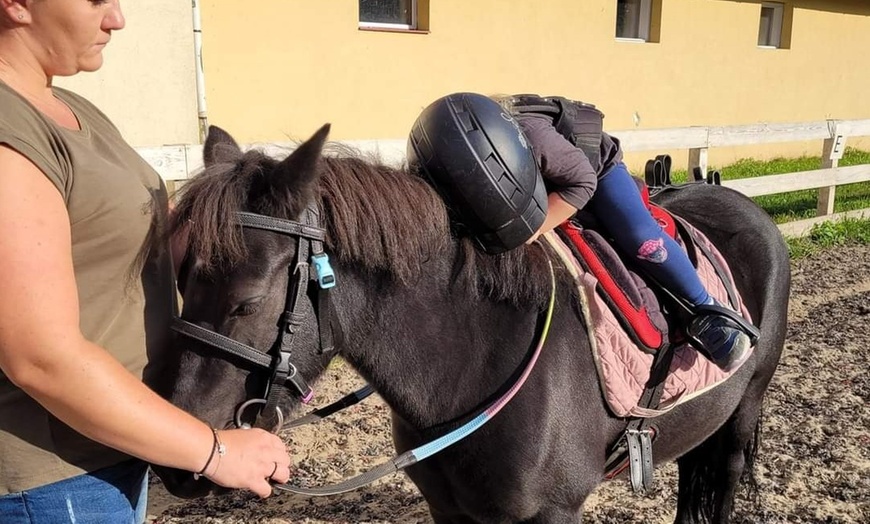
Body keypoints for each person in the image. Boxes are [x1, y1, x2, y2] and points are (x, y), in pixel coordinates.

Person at [0, 1, 291, 522]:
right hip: (51, 476)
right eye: (95, 1)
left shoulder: (65, 105)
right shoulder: (9, 130)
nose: (116, 20)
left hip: (113, 445)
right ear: (16, 5)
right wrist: (213, 451)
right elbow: (39, 357)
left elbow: (143, 233)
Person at [501, 93, 754, 371]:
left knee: (641, 239)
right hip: (549, 174)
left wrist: (535, 229)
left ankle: (709, 310)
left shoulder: (531, 134)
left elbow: (582, 182)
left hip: (596, 171)